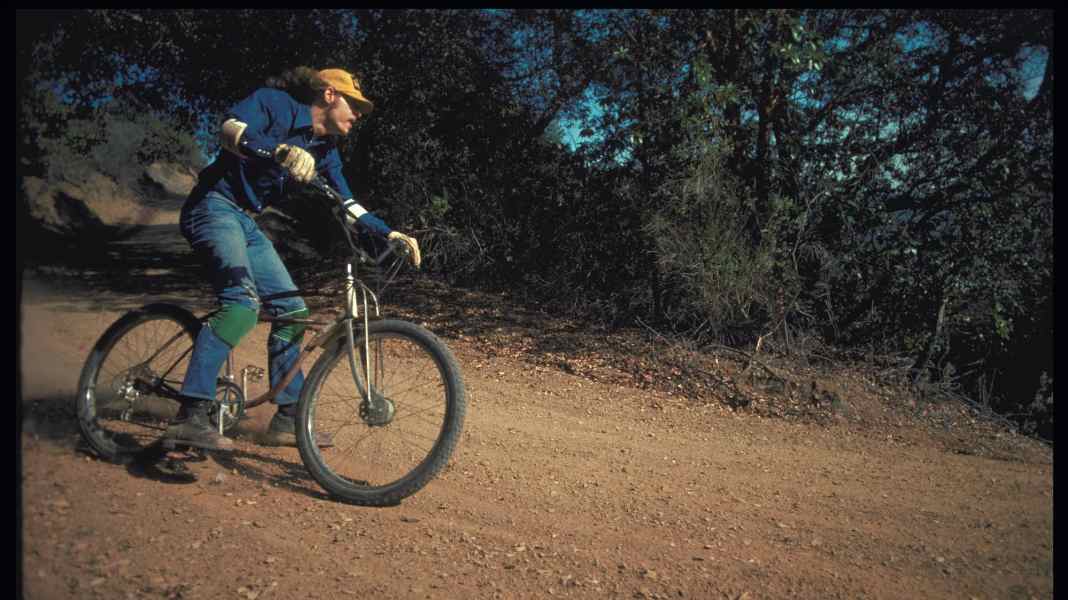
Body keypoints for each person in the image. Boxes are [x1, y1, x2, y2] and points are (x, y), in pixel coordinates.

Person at [163, 67, 421, 451]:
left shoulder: (326, 152)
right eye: (355, 105)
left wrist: (388, 232)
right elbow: (230, 129)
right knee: (242, 306)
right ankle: (190, 414)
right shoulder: (273, 104)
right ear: (330, 95)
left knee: (292, 311)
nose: (359, 115)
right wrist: (278, 149)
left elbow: (348, 203)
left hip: (246, 222)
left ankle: (286, 419)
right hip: (212, 207)